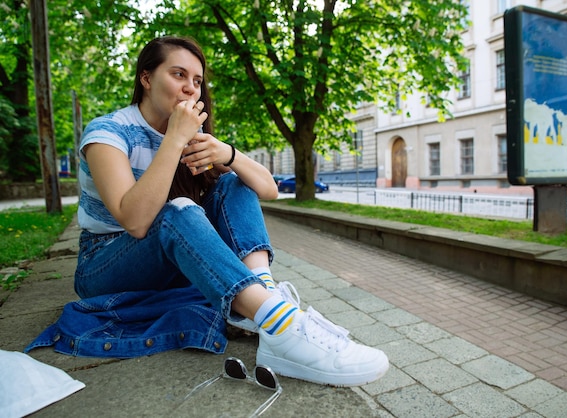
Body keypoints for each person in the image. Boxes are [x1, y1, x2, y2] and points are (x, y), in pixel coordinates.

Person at [71, 36, 388, 387]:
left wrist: (229, 154)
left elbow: (269, 190)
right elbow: (135, 221)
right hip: (104, 264)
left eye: (197, 81)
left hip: (166, 262)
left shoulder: (194, 137)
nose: (190, 89)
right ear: (146, 78)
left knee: (234, 182)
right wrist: (174, 139)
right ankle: (281, 325)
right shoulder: (108, 133)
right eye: (179, 75)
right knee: (178, 211)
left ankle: (264, 300)